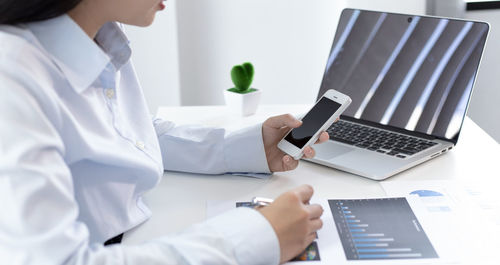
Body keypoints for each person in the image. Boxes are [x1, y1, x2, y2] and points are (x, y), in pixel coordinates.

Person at [0, 0, 329, 264]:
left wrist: (251, 147)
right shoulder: (12, 76)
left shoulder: (100, 40)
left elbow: (129, 133)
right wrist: (257, 237)